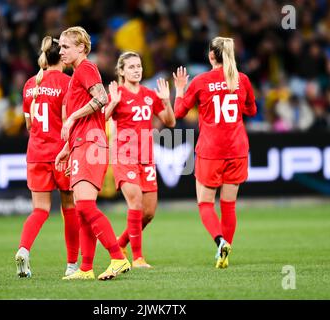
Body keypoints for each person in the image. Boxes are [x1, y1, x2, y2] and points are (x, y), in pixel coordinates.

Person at [173, 36, 257, 268]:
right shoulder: (242, 79)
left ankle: (220, 242)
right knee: (228, 205)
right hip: (237, 148)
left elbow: (179, 112)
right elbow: (251, 109)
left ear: (211, 55)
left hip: (211, 150)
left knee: (205, 203)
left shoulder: (201, 81)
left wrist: (179, 90)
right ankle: (225, 251)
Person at [55, 26, 130, 281]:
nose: (61, 51)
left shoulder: (86, 68)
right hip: (81, 144)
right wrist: (68, 148)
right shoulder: (78, 73)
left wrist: (71, 118)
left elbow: (101, 98)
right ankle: (86, 268)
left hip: (91, 144)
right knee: (81, 210)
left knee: (85, 206)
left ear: (81, 48)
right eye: (60, 46)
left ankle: (118, 257)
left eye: (66, 46)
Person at [15, 36, 80, 278]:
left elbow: (29, 124)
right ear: (61, 56)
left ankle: (24, 249)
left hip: (36, 153)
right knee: (70, 207)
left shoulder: (30, 83)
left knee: (40, 210)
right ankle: (72, 265)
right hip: (61, 153)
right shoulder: (68, 83)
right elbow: (69, 121)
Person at [104, 52, 175, 268]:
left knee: (149, 212)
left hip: (146, 157)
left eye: (139, 66)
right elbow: (101, 120)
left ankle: (120, 243)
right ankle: (137, 258)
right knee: (135, 202)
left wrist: (166, 101)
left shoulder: (148, 95)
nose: (137, 70)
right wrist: (112, 103)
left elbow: (169, 122)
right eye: (132, 66)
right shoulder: (117, 94)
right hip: (124, 155)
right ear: (122, 71)